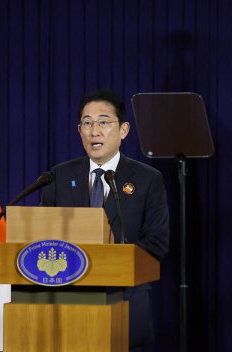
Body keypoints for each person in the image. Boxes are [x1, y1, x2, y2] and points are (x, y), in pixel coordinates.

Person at [40, 88, 170, 350]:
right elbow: (42, 234)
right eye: (86, 123)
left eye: (103, 122)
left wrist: (106, 261)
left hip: (126, 305)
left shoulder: (147, 179)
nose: (94, 131)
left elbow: (157, 243)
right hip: (68, 307)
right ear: (79, 131)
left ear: (123, 130)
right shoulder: (59, 177)